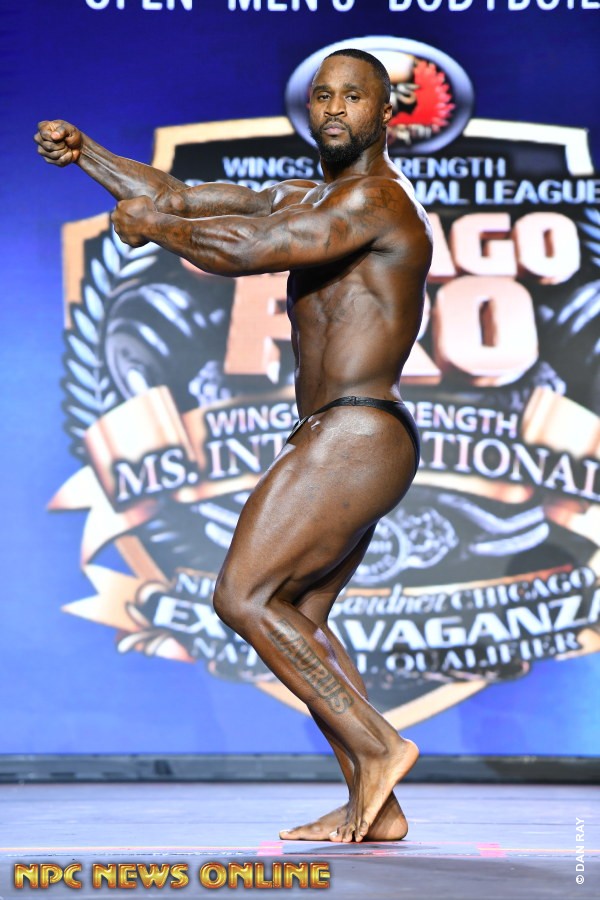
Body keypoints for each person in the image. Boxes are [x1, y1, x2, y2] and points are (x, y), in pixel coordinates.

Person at [35, 48, 432, 843]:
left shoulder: (378, 201)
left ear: (386, 111)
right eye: (322, 95)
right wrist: (89, 157)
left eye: (354, 96)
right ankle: (377, 804)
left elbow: (248, 251)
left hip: (358, 429)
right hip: (344, 432)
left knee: (243, 596)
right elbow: (177, 196)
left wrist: (155, 229)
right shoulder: (306, 195)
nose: (334, 107)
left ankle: (380, 746)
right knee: (298, 616)